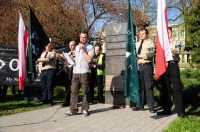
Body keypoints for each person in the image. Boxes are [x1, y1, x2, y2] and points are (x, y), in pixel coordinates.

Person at [157, 27, 186, 118]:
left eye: (168, 32)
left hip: (173, 64)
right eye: (165, 33)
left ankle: (180, 111)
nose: (167, 34)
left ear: (171, 33)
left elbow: (177, 51)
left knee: (176, 88)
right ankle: (166, 109)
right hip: (164, 65)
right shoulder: (162, 43)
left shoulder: (176, 42)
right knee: (165, 88)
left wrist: (168, 50)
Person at [65, 31, 94, 117]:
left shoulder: (90, 47)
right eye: (81, 37)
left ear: (87, 38)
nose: (83, 39)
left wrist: (83, 50)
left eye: (84, 37)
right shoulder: (76, 47)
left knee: (85, 91)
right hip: (76, 72)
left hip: (85, 72)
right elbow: (76, 59)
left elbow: (89, 59)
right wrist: (70, 59)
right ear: (79, 37)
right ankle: (73, 110)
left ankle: (85, 109)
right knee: (73, 91)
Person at [132, 28, 155, 113]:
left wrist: (140, 56)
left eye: (143, 34)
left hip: (147, 66)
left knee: (148, 86)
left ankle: (151, 106)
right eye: (140, 34)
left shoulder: (150, 42)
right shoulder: (137, 44)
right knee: (140, 86)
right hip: (139, 66)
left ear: (146, 34)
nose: (141, 35)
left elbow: (151, 54)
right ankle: (140, 105)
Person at [61, 41, 76, 107]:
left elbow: (76, 60)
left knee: (74, 87)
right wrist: (65, 67)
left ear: (75, 45)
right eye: (70, 45)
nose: (71, 47)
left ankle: (74, 102)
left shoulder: (77, 52)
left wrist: (70, 58)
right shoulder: (68, 53)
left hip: (75, 70)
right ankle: (67, 101)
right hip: (68, 71)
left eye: (72, 45)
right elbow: (66, 62)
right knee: (67, 86)